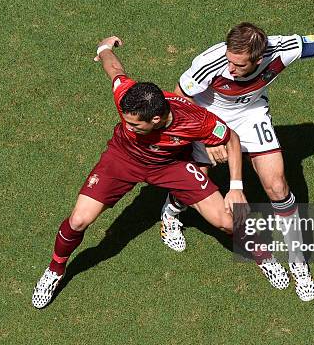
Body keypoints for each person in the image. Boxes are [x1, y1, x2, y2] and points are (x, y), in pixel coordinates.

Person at [32, 36, 287, 309]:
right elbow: (115, 71)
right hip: (122, 160)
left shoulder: (195, 121)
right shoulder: (128, 97)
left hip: (171, 166)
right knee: (79, 220)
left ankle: (264, 256)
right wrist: (104, 48)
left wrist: (235, 186)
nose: (128, 126)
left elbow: (232, 139)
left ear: (156, 119)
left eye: (134, 124)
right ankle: (55, 270)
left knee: (226, 220)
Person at [160, 22, 314, 302]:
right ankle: (170, 214)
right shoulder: (209, 62)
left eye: (239, 64)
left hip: (251, 115)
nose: (230, 68)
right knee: (195, 179)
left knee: (278, 186)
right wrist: (209, 137)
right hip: (207, 115)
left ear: (259, 59)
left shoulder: (283, 49)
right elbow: (177, 100)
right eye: (230, 61)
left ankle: (297, 261)